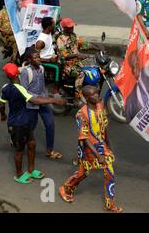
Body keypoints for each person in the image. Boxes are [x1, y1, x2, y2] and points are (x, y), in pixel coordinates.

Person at [59, 85, 123, 213]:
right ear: (87, 98)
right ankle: (66, 188)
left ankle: (109, 204)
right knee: (84, 172)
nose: (96, 95)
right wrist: (98, 155)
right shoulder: (81, 114)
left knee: (109, 173)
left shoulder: (100, 107)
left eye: (96, 93)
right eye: (93, 95)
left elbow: (104, 128)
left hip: (102, 147)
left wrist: (108, 145)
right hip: (89, 150)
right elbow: (84, 138)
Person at [0, 63, 66, 184]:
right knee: (19, 150)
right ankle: (19, 175)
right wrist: (54, 100)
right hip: (17, 125)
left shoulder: (4, 88)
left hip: (24, 121)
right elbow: (34, 100)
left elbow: (1, 104)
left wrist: (3, 115)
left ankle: (31, 170)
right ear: (18, 74)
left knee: (32, 144)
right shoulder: (19, 88)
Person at [20, 48, 62, 161]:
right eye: (35, 58)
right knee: (30, 127)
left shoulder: (42, 69)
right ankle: (17, 140)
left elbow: (42, 86)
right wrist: (38, 99)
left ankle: (50, 150)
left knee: (50, 125)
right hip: (31, 104)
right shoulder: (25, 72)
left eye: (39, 57)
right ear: (29, 59)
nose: (38, 59)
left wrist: (48, 97)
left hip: (43, 102)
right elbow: (24, 91)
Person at [56, 18, 96, 104]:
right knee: (80, 74)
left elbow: (85, 44)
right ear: (65, 28)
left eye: (72, 26)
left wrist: (97, 47)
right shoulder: (60, 39)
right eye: (70, 27)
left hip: (78, 63)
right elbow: (64, 56)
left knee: (92, 69)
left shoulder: (74, 35)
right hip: (67, 66)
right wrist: (77, 55)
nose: (72, 28)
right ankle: (78, 96)